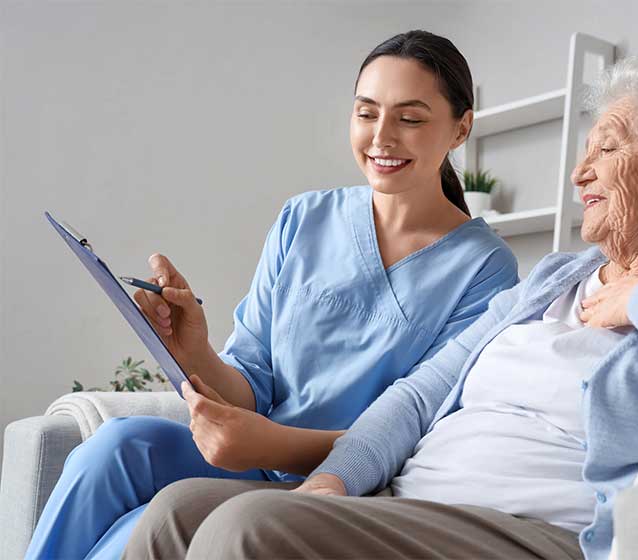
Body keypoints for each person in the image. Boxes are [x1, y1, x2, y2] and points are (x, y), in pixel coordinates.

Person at [123, 48, 638, 560]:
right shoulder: (554, 279)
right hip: (414, 503)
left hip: (534, 530)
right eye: (586, 146)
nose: (579, 170)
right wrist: (335, 480)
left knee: (251, 527)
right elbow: (420, 396)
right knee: (177, 511)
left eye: (609, 146)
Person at [24, 30, 518, 560]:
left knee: (141, 531)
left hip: (342, 486)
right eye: (366, 113)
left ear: (461, 127)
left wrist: (268, 443)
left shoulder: (485, 270)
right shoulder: (303, 219)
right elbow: (250, 386)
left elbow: (421, 430)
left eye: (411, 118)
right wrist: (193, 349)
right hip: (251, 455)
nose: (382, 137)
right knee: (113, 447)